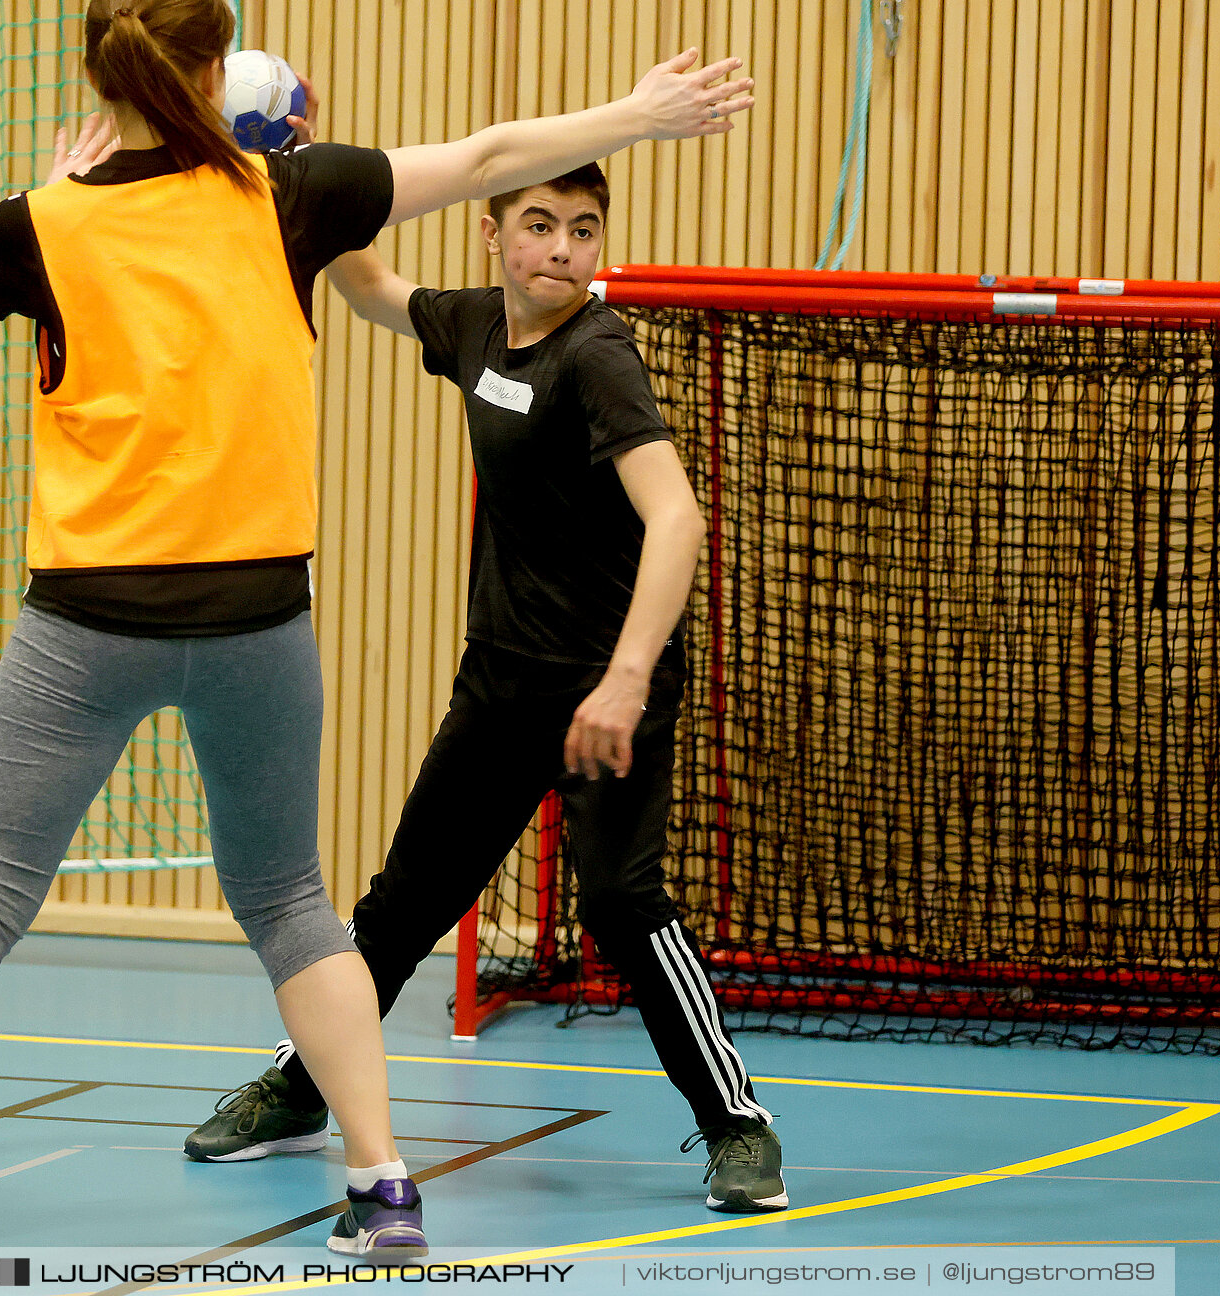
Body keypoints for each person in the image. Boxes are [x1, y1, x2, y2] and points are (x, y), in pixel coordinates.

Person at [0, 0, 753, 1276]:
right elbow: (485, 159)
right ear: (215, 74)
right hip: (259, 619)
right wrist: (639, 117)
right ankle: (382, 1185)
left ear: (105, 83)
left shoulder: (46, 225)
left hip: (89, 618)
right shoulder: (292, 194)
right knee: (293, 903)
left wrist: (52, 200)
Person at [183, 160, 787, 1215]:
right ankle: (302, 1088)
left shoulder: (597, 355)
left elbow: (678, 520)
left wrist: (626, 681)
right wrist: (302, 173)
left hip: (613, 689)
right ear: (492, 233)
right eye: (540, 225)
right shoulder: (471, 329)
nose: (561, 250)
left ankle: (736, 1122)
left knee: (620, 903)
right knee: (403, 900)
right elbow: (366, 283)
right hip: (502, 685)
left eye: (583, 230)